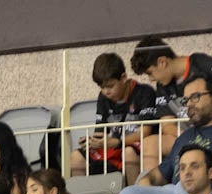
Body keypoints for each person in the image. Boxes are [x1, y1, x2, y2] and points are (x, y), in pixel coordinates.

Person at [71, 53, 171, 183]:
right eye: (102, 87)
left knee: (128, 152)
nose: (106, 92)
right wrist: (92, 141)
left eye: (110, 86)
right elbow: (100, 131)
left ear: (123, 77)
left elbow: (145, 132)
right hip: (111, 148)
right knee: (76, 157)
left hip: (138, 148)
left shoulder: (145, 92)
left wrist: (118, 142)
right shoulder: (103, 98)